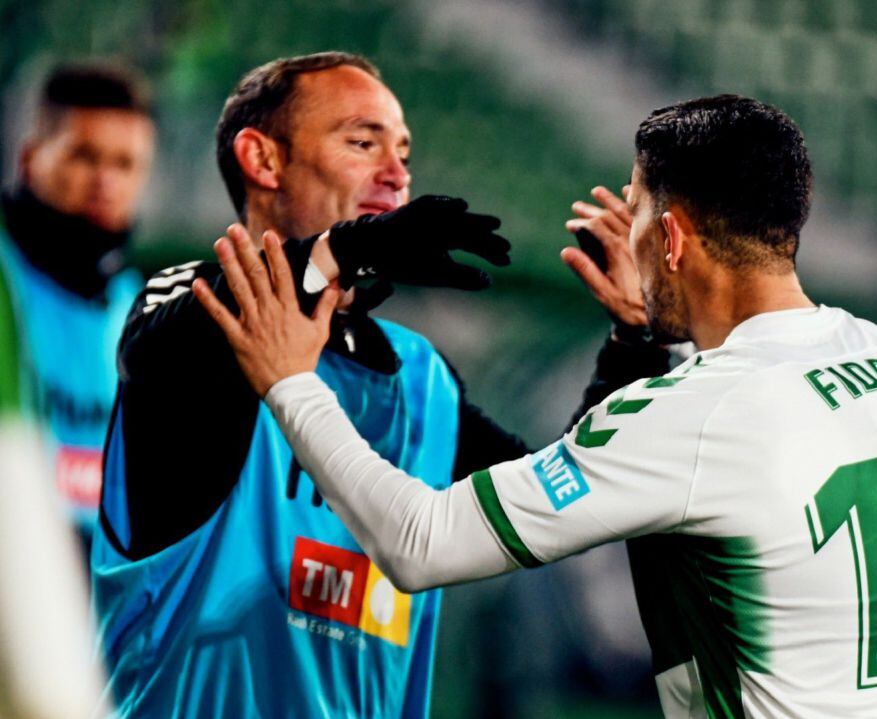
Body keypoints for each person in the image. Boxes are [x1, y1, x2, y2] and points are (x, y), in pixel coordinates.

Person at [200, 95, 877, 718]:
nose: (633, 236)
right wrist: (648, 339)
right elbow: (748, 466)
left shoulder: (697, 414)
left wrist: (292, 382)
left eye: (641, 213)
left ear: (672, 240)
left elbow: (420, 543)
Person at [91, 51, 667, 717]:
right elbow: (172, 340)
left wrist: (633, 341)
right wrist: (348, 247)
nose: (397, 176)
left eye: (403, 152)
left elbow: (552, 513)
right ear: (264, 160)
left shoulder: (423, 379)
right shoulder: (189, 307)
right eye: (362, 143)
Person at [0, 64, 154, 551]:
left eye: (125, 164)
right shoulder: (5, 283)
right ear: (30, 159)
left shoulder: (136, 307)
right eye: (84, 156)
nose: (104, 181)